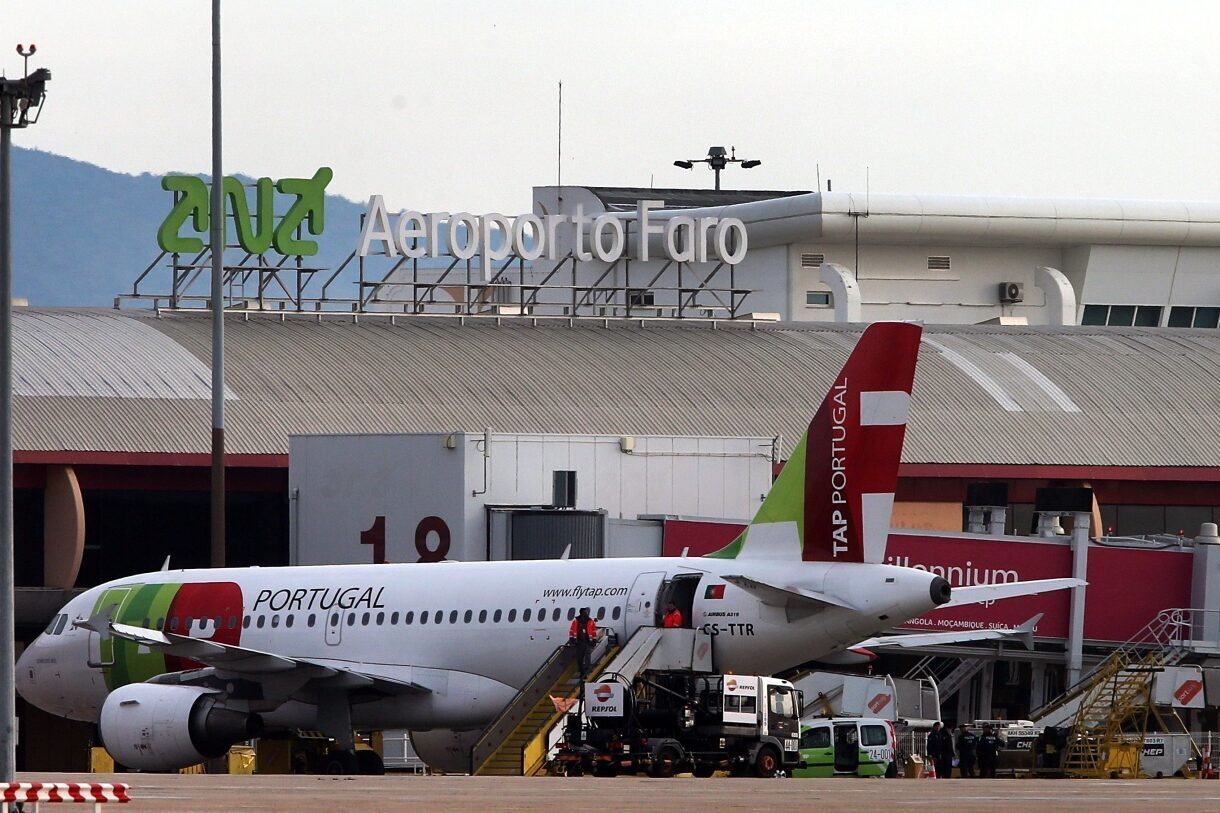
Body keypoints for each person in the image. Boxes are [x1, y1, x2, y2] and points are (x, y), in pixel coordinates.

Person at [569, 607, 598, 678]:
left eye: (587, 612)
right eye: (585, 612)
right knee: (580, 658)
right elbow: (571, 631)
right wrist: (572, 639)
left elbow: (594, 631)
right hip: (579, 642)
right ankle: (581, 671)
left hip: (587, 642)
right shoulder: (576, 621)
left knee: (587, 656)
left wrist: (594, 640)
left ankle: (587, 671)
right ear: (581, 613)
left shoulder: (590, 621)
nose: (587, 614)